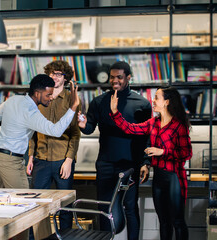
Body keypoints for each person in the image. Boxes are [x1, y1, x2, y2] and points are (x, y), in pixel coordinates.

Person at [78, 61, 151, 240]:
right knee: (104, 208)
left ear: (128, 78)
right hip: (105, 164)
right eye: (112, 77)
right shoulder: (99, 101)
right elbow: (89, 128)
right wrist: (81, 124)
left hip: (130, 165)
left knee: (130, 208)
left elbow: (146, 137)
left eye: (119, 77)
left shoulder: (141, 103)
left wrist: (146, 163)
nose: (115, 80)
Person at [110, 87, 192, 240]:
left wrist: (162, 151)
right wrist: (115, 113)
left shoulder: (179, 126)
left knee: (178, 221)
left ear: (166, 102)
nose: (153, 101)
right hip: (159, 178)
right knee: (164, 222)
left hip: (175, 178)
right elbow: (130, 129)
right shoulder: (153, 123)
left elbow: (186, 153)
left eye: (156, 98)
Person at [0, 74, 80, 189]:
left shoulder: (13, 99)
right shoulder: (31, 112)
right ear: (37, 94)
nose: (51, 98)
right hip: (10, 162)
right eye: (48, 95)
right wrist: (73, 107)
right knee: (24, 201)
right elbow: (56, 131)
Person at [27, 60, 80, 231]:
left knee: (65, 206)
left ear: (66, 78)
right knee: (37, 205)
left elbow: (75, 133)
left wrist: (69, 160)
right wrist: (30, 156)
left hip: (62, 160)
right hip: (40, 160)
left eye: (59, 74)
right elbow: (31, 131)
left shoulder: (71, 99)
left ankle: (64, 236)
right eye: (52, 74)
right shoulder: (39, 98)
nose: (55, 77)